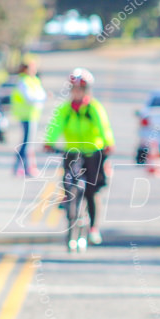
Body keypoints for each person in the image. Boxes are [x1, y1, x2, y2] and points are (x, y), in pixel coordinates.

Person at [43, 68, 114, 246]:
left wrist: (108, 143)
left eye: (80, 89)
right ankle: (69, 206)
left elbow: (104, 127)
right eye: (74, 89)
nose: (77, 92)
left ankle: (93, 229)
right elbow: (55, 126)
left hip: (93, 152)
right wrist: (48, 142)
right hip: (72, 152)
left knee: (91, 191)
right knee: (69, 184)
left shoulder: (94, 108)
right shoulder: (65, 109)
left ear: (86, 90)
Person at [11, 57, 47, 177]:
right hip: (26, 115)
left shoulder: (34, 80)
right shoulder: (23, 81)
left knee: (28, 143)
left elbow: (41, 93)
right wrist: (41, 97)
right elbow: (30, 97)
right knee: (27, 143)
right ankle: (23, 167)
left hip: (33, 115)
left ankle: (22, 167)